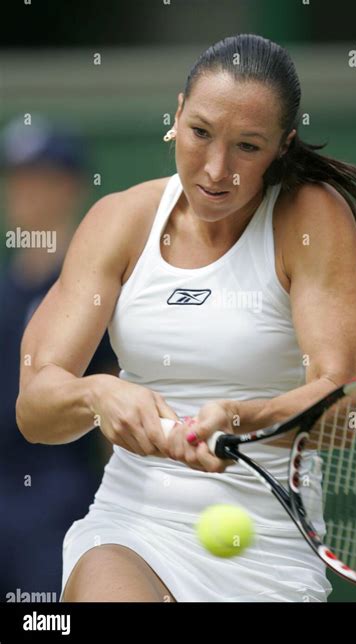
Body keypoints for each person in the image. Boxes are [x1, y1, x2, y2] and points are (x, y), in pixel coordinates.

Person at [16, 34, 356, 602]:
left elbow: (343, 407)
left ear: (283, 146)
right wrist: (98, 395)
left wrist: (239, 417)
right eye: (201, 133)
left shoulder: (311, 218)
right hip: (131, 528)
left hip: (271, 548)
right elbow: (36, 408)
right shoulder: (119, 220)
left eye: (248, 147)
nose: (216, 170)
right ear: (178, 112)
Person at [0, 115, 118, 601]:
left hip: (57, 494)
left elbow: (114, 397)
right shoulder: (6, 287)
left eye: (40, 178)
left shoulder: (94, 291)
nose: (26, 192)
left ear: (69, 187)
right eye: (17, 178)